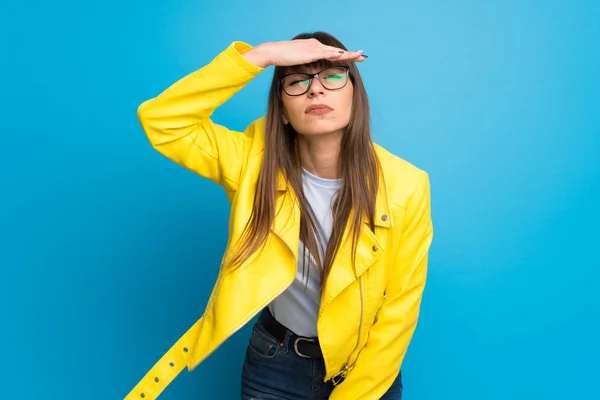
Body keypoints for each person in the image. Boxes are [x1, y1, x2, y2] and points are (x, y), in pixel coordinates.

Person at [125, 31, 434, 400]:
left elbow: (400, 309)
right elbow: (163, 120)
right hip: (274, 364)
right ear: (282, 112)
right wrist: (263, 56)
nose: (315, 90)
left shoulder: (406, 185)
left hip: (365, 368)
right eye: (297, 81)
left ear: (356, 95)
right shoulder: (250, 164)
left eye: (333, 76)